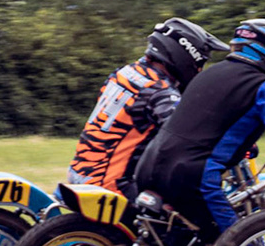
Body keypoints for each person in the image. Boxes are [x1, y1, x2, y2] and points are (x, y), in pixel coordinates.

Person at [134, 18, 265, 236]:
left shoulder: (209, 74)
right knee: (242, 243)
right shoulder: (263, 84)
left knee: (177, 243)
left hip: (148, 166)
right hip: (193, 176)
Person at [67, 18, 228, 199]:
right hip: (113, 186)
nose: (199, 71)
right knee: (193, 203)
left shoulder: (125, 73)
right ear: (186, 55)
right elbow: (185, 134)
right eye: (199, 63)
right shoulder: (159, 90)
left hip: (81, 174)